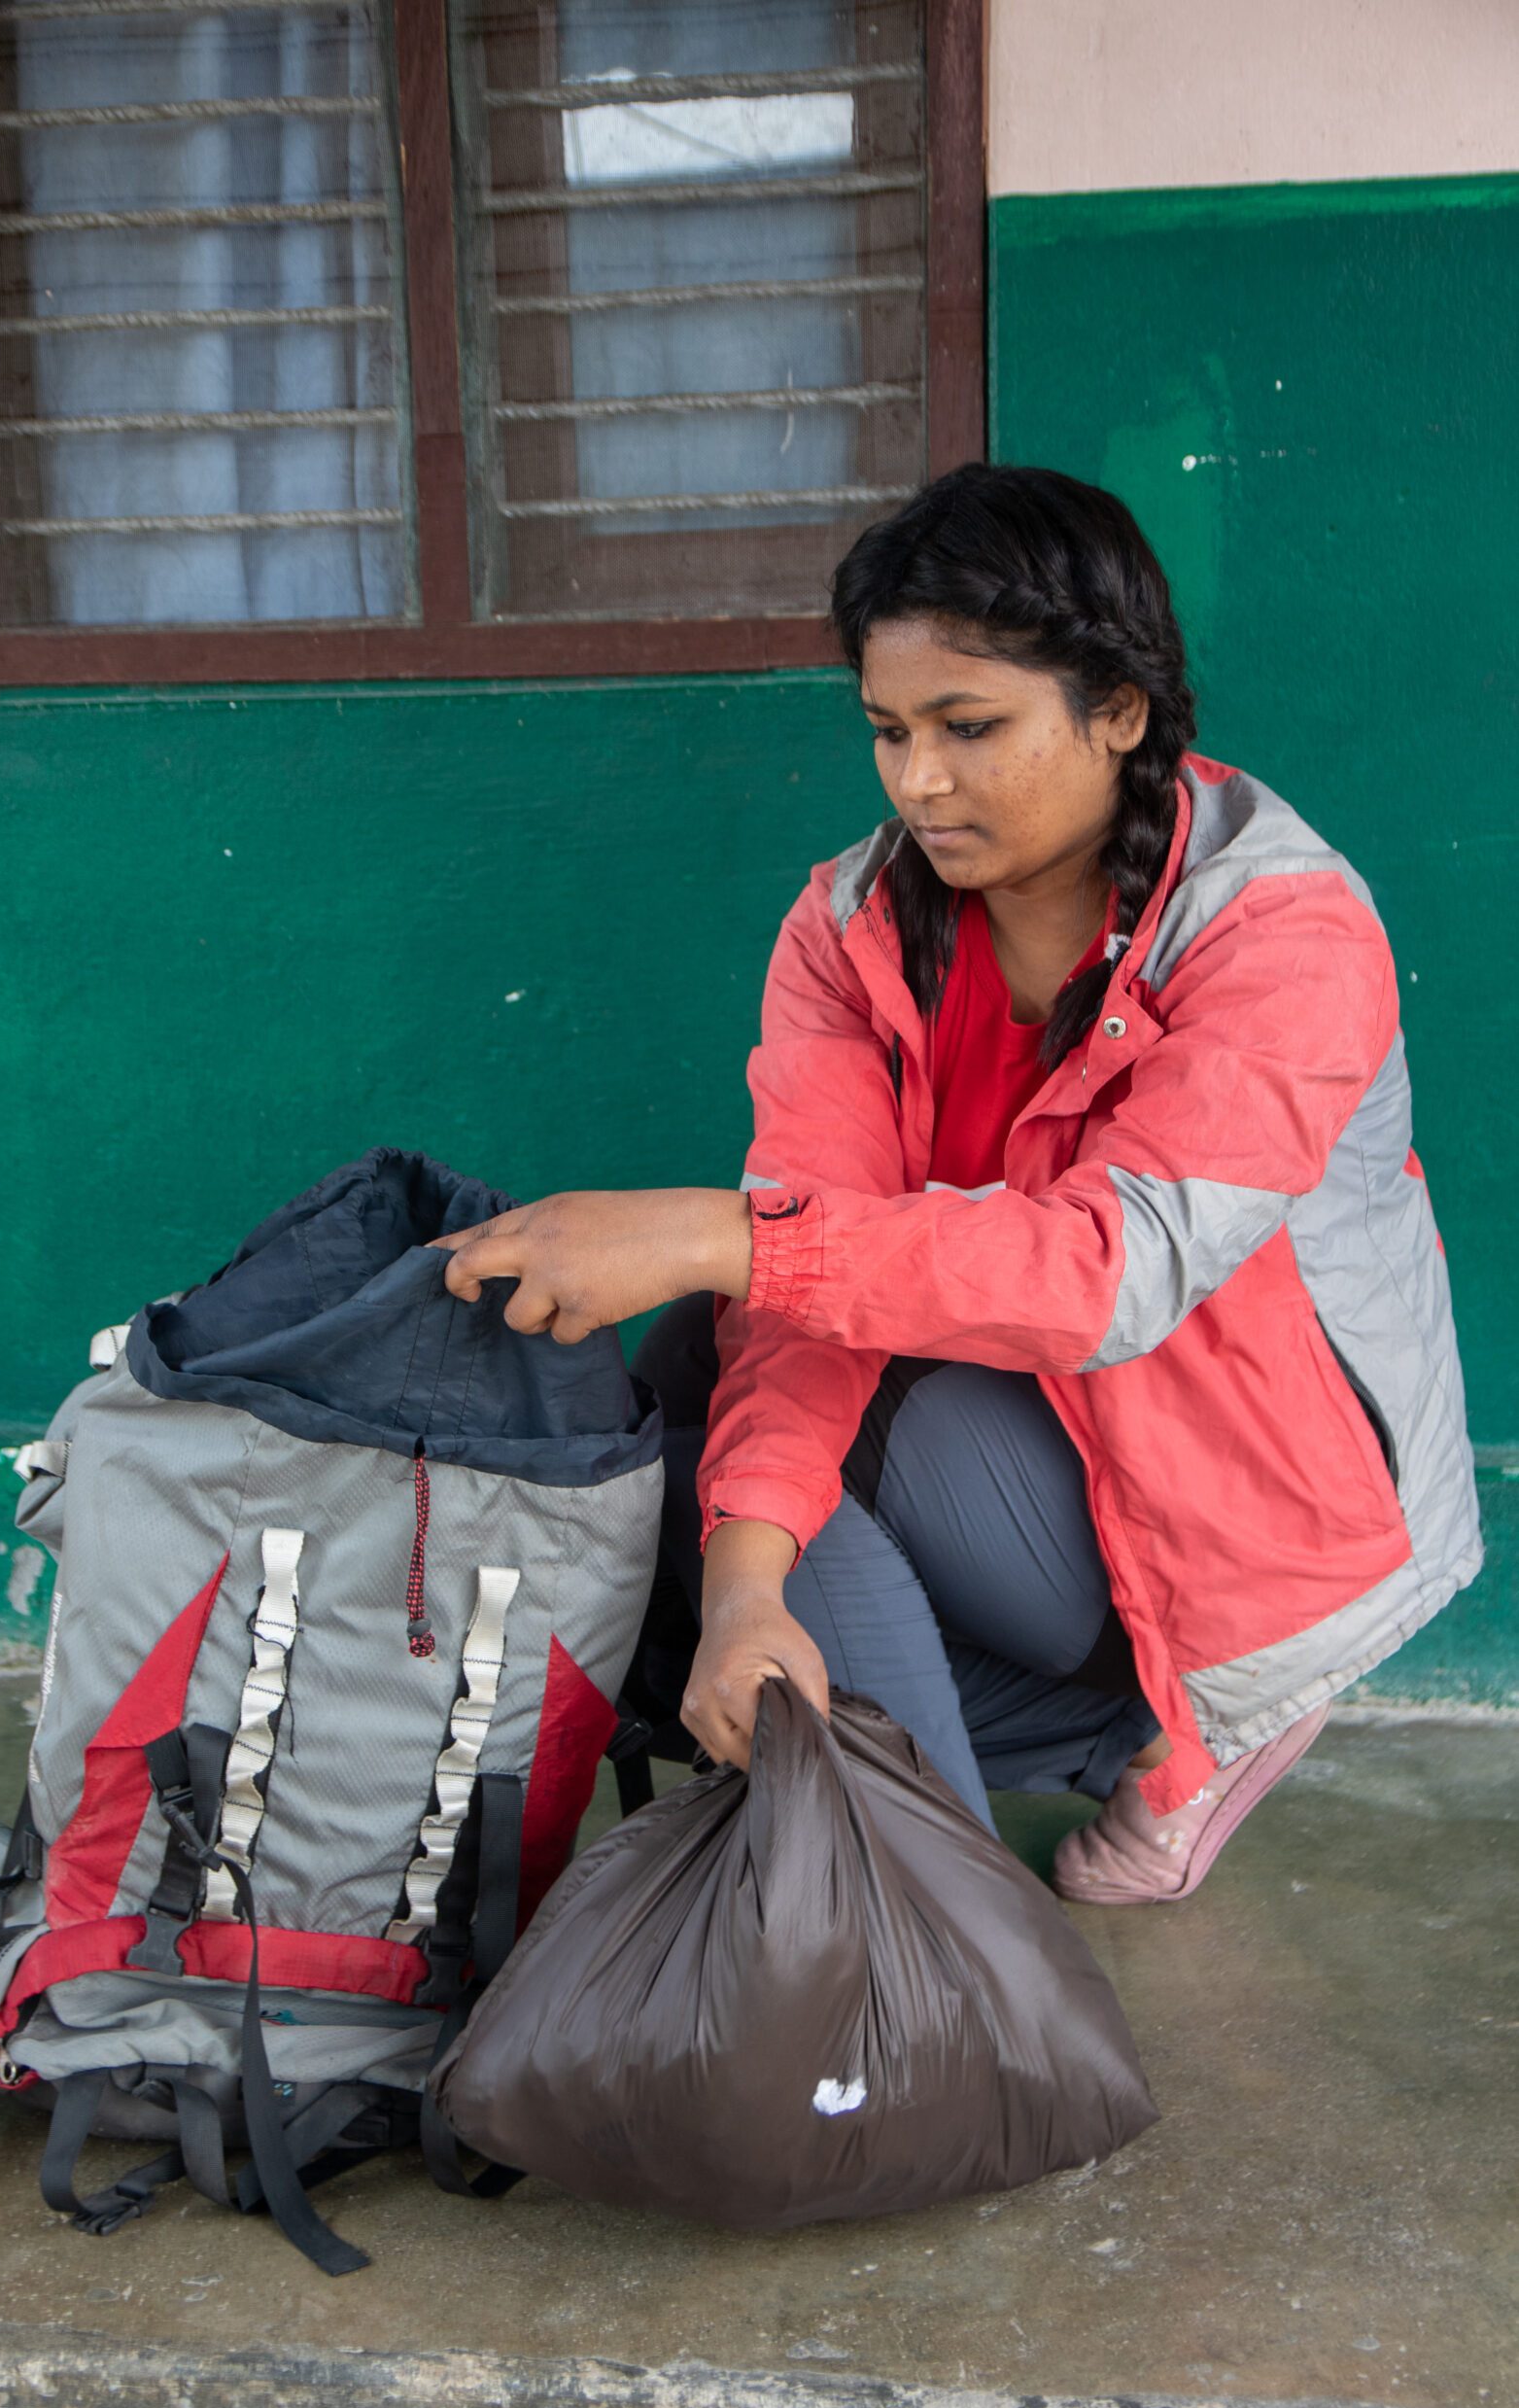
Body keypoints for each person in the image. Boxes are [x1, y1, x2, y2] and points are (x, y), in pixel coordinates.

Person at [436, 465, 1481, 1903]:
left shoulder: (1280, 930)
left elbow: (1105, 1273)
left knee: (775, 1342)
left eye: (969, 727)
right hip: (1034, 1476)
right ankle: (945, 1838)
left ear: (1117, 711)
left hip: (1234, 1507)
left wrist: (705, 1231)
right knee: (696, 1450)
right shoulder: (852, 925)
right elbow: (802, 1275)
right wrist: (745, 1599)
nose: (918, 782)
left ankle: (954, 1924)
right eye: (888, 731)